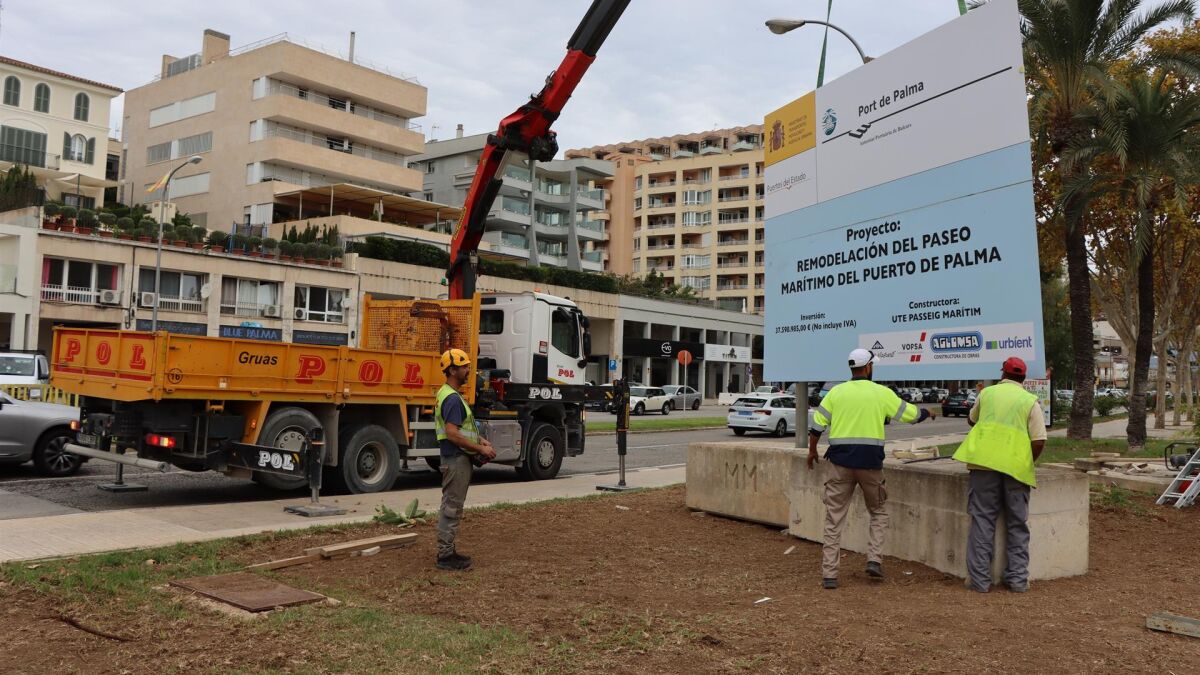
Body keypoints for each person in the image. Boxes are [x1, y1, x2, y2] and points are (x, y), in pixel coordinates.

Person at [807, 348, 935, 589]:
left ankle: (829, 575)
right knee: (878, 512)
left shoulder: (836, 393)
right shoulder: (881, 393)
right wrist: (927, 412)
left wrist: (812, 451)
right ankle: (874, 560)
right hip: (870, 465)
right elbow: (910, 415)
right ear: (868, 368)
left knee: (834, 519)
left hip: (839, 463)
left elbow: (816, 427)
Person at [952, 356, 1046, 593]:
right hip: (1015, 470)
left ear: (1002, 373)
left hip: (983, 466)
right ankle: (1017, 580)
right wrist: (1025, 462)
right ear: (1023, 377)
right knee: (1017, 523)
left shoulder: (987, 394)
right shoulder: (1030, 401)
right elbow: (1039, 440)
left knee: (982, 520)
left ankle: (979, 581)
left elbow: (971, 420)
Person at [434, 348, 496, 571]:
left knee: (451, 505)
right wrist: (480, 448)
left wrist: (480, 440)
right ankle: (445, 556)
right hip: (456, 458)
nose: (469, 370)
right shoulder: (452, 398)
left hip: (456, 457)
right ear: (452, 370)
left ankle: (447, 551)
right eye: (464, 367)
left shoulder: (449, 394)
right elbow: (452, 433)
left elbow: (460, 429)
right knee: (452, 507)